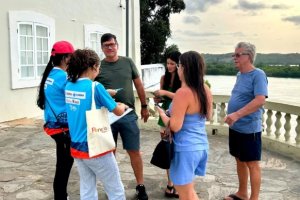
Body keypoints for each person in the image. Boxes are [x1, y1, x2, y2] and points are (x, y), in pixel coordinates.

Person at [65, 49, 127, 200]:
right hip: (95, 147)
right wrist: (123, 106)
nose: (98, 70)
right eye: (98, 67)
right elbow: (117, 111)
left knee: (87, 188)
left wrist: (106, 94)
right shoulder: (96, 87)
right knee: (115, 189)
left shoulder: (69, 86)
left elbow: (84, 101)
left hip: (76, 147)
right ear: (93, 66)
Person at [95, 33, 150, 200]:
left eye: (112, 44)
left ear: (117, 45)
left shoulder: (128, 62)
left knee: (134, 151)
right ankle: (112, 186)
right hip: (106, 115)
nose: (110, 48)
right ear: (102, 48)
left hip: (128, 114)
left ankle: (140, 186)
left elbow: (139, 85)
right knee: (109, 153)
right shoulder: (98, 66)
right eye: (106, 45)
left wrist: (145, 106)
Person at [156, 51, 213, 200]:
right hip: (200, 145)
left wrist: (163, 114)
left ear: (184, 68)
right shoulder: (205, 89)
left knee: (186, 195)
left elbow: (175, 126)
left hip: (185, 148)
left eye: (179, 65)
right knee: (189, 191)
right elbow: (209, 116)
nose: (178, 69)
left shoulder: (183, 92)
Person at [224, 42, 268, 200]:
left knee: (252, 164)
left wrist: (236, 114)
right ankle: (242, 193)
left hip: (250, 129)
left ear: (248, 56)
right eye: (233, 55)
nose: (234, 58)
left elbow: (260, 100)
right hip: (236, 128)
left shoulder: (258, 75)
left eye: (237, 55)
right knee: (239, 159)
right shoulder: (240, 75)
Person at [36, 41, 75, 200]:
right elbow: (77, 96)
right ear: (66, 58)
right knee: (64, 167)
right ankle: (60, 197)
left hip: (53, 125)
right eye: (71, 56)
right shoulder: (63, 76)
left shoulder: (51, 74)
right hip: (63, 128)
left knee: (63, 165)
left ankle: (61, 195)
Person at [153, 51, 181, 198]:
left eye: (172, 63)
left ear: (178, 64)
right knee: (168, 150)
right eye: (167, 63)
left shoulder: (183, 79)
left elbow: (182, 97)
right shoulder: (164, 78)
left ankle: (178, 183)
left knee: (178, 151)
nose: (169, 66)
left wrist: (164, 92)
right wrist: (158, 100)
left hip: (179, 116)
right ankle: (170, 184)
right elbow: (163, 99)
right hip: (164, 117)